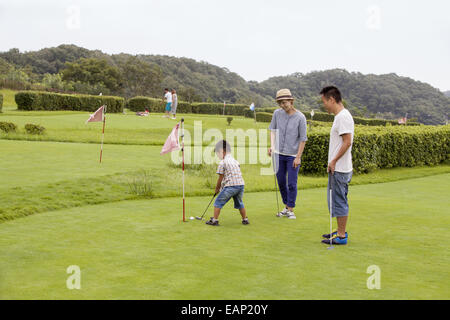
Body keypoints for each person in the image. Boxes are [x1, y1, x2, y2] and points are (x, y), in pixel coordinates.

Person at [320, 86, 354, 245]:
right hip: (339, 167)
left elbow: (347, 142)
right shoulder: (340, 116)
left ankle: (341, 235)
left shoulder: (343, 117)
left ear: (331, 99)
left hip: (339, 168)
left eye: (324, 102)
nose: (324, 105)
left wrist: (333, 161)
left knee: (339, 201)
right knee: (336, 200)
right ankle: (340, 231)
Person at [268, 89, 307, 220]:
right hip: (278, 154)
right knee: (280, 181)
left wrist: (298, 157)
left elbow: (303, 139)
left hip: (292, 156)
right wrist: (272, 146)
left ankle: (290, 209)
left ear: (291, 101)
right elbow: (272, 130)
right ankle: (286, 206)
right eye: (280, 103)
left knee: (292, 183)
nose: (282, 105)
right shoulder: (277, 114)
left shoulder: (301, 117)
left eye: (284, 102)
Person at [206, 140, 249, 226]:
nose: (218, 156)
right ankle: (245, 219)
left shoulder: (223, 162)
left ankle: (215, 220)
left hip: (231, 186)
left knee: (218, 202)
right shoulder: (235, 161)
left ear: (222, 151)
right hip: (240, 185)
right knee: (240, 203)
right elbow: (230, 176)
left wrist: (217, 189)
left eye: (218, 153)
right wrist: (222, 188)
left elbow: (221, 178)